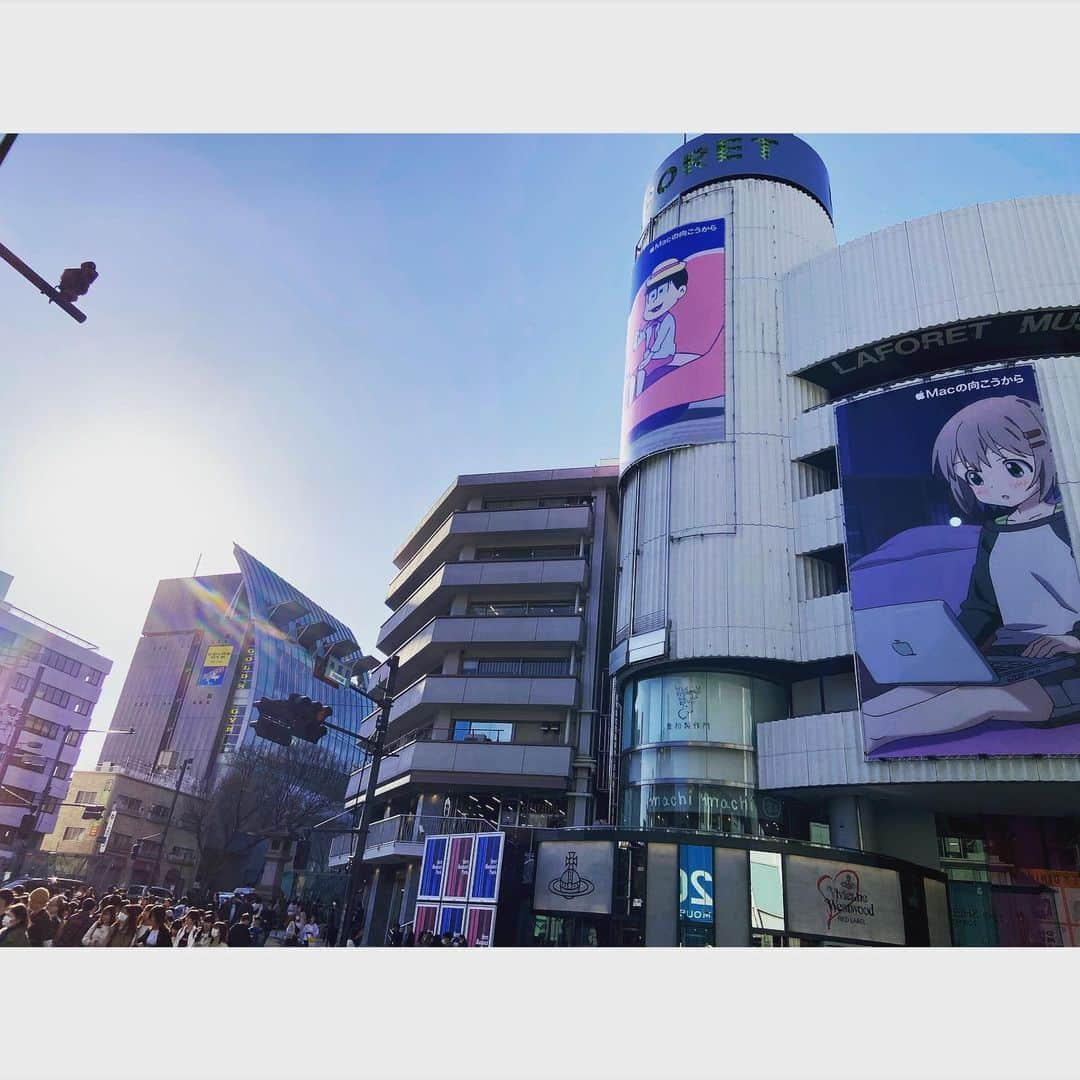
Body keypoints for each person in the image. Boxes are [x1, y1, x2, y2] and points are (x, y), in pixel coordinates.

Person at [864, 395, 1080, 752]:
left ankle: (877, 734)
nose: (992, 487)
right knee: (909, 695)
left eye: (1012, 468)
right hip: (1012, 658)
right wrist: (948, 653)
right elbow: (982, 609)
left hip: (1069, 664)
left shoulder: (1068, 521)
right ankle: (870, 729)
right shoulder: (994, 534)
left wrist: (1073, 642)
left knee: (984, 700)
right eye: (976, 476)